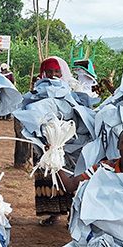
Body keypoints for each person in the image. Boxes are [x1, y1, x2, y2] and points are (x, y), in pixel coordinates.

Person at [31, 57, 77, 225]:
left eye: (56, 71)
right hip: (42, 143)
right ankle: (53, 214)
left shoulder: (69, 91)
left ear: (62, 72)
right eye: (49, 71)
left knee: (67, 176)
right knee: (46, 177)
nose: (53, 75)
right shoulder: (37, 91)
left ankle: (73, 214)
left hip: (64, 143)